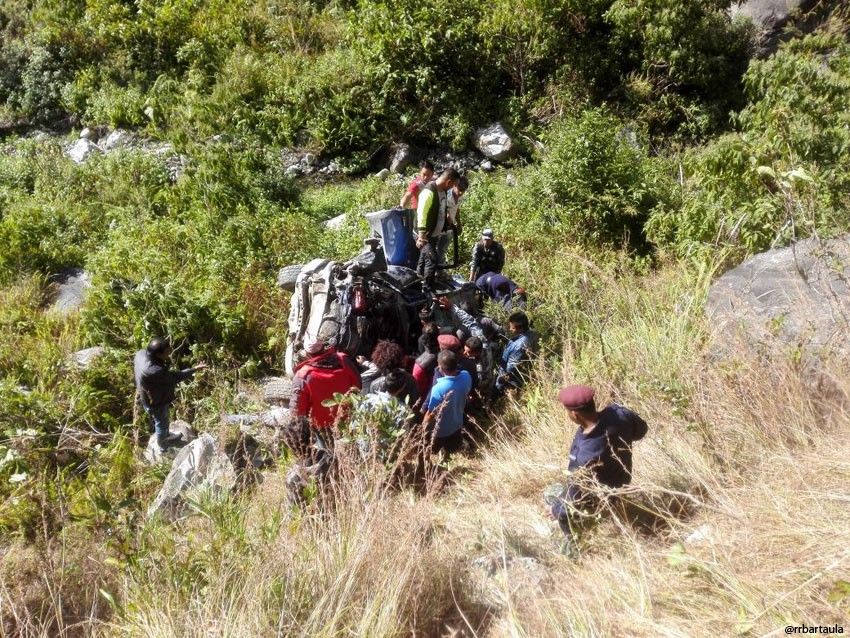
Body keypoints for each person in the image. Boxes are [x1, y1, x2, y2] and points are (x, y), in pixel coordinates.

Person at [549, 385, 648, 541]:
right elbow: (641, 430)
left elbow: (573, 497)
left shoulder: (584, 454)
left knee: (552, 494)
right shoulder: (619, 414)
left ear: (575, 414)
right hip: (622, 484)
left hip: (599, 500)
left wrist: (556, 511)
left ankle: (574, 546)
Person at [288, 341, 362, 453]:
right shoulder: (343, 360)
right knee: (352, 448)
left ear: (307, 353)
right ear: (324, 347)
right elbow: (358, 385)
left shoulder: (303, 375)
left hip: (321, 426)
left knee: (328, 452)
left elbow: (297, 411)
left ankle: (332, 461)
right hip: (347, 417)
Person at [134, 338, 207, 450]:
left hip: (146, 394)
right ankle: (163, 446)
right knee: (161, 422)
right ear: (158, 354)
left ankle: (165, 435)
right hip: (155, 402)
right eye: (167, 351)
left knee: (160, 420)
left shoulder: (141, 354)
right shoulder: (154, 371)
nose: (169, 353)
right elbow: (175, 377)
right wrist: (194, 369)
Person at [416, 167, 460, 291]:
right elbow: (421, 213)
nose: (452, 188)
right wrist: (421, 235)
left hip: (434, 234)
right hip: (424, 234)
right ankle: (428, 289)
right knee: (432, 259)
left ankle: (418, 281)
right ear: (448, 182)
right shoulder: (429, 192)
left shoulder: (443, 191)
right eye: (453, 185)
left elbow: (441, 209)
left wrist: (447, 222)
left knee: (424, 259)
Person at [423, 350, 473, 455]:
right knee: (451, 450)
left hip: (441, 431)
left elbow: (431, 413)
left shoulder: (438, 388)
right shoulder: (466, 376)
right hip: (457, 423)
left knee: (432, 451)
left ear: (440, 367)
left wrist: (423, 428)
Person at [495, 311, 532, 393]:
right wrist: (508, 342)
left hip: (511, 380)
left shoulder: (517, 346)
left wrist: (501, 381)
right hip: (525, 371)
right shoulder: (533, 333)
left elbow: (510, 369)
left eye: (512, 328)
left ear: (521, 328)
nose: (510, 329)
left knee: (497, 392)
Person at [437, 174, 468, 266]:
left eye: (463, 190)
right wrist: (448, 219)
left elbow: (457, 209)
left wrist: (459, 223)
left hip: (450, 226)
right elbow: (443, 208)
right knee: (434, 247)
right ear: (455, 185)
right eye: (460, 189)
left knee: (443, 248)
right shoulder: (446, 194)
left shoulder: (460, 197)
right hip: (440, 225)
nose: (461, 192)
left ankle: (440, 267)